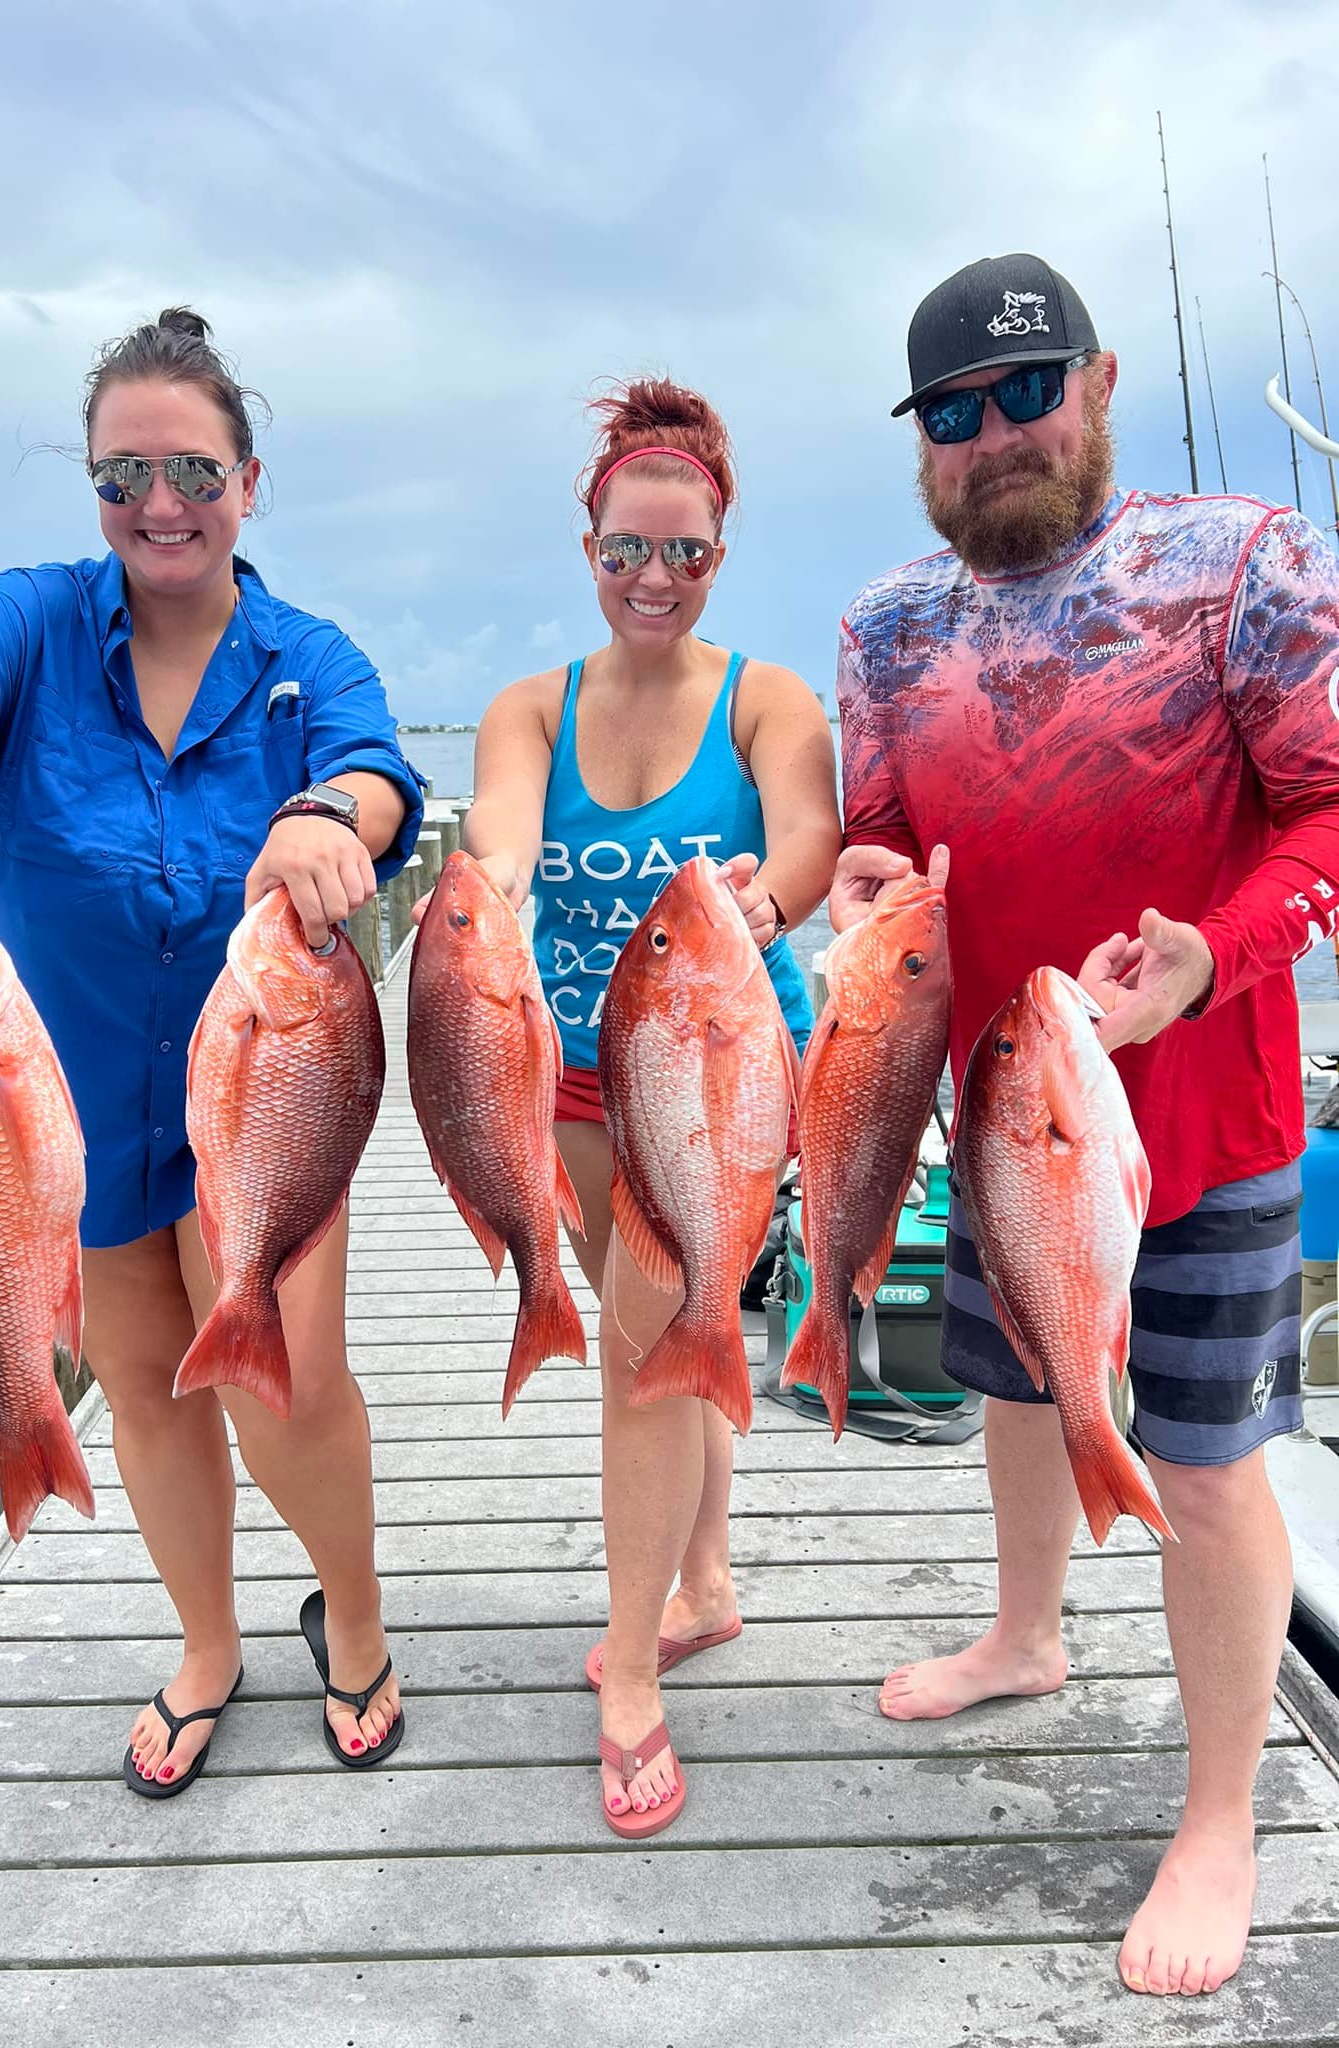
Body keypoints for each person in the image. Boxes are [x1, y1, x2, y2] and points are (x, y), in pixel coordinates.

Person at [0, 308, 425, 1794]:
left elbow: (378, 775)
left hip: (264, 1095)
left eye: (196, 473)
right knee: (145, 1391)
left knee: (285, 1384)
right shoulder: (26, 622)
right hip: (62, 1112)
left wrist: (328, 823)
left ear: (250, 481)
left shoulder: (304, 658)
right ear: (93, 486)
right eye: (123, 474)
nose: (161, 504)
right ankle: (207, 1644)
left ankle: (353, 1617)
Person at [832, 253, 1339, 1995]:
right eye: (953, 417)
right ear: (923, 446)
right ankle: (1031, 1632)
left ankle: (1218, 1821)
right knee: (1023, 1384)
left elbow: (1333, 810)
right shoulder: (887, 626)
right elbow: (882, 832)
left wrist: (1221, 955)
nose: (993, 438)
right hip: (1001, 1105)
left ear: (1101, 383)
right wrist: (869, 883)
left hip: (1204, 1115)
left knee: (1202, 1465)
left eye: (1025, 393)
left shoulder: (1249, 566)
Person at [452, 377, 840, 1834]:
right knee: (677, 1339)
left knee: (642, 1351)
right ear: (590, 546)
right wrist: (487, 886)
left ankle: (632, 1673)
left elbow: (810, 828)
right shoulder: (531, 705)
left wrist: (775, 891)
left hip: (725, 1073)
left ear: (720, 552)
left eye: (683, 553)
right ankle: (709, 1578)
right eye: (626, 551)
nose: (654, 580)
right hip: (571, 1072)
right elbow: (497, 826)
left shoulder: (766, 698)